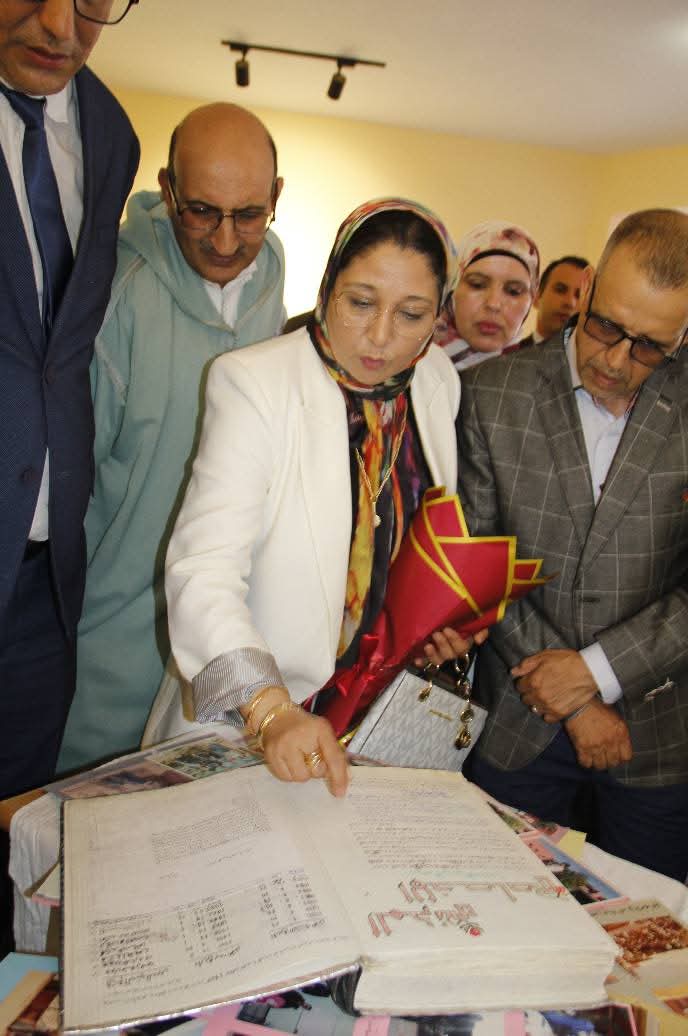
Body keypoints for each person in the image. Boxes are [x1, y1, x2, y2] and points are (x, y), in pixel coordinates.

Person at [154, 198, 481, 796]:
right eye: (360, 303)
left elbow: (410, 542)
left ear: (439, 315)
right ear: (327, 286)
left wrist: (435, 624)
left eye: (411, 314)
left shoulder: (437, 380)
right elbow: (203, 570)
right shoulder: (256, 382)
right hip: (259, 718)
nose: (381, 337)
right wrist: (270, 709)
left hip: (373, 716)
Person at [457, 209, 688, 881]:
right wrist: (578, 700)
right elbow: (480, 561)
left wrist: (599, 671)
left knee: (648, 927)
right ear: (584, 291)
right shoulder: (490, 395)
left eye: (649, 348)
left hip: (658, 731)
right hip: (517, 722)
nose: (616, 361)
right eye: (606, 326)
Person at [58, 103, 286, 772]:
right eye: (201, 212)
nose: (225, 241)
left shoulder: (272, 272)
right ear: (166, 189)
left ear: (276, 197)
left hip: (220, 622)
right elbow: (71, 487)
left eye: (249, 215)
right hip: (112, 626)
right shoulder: (114, 291)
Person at [0, 0, 139, 800]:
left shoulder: (110, 132)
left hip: (46, 583)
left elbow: (59, 352)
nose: (62, 26)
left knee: (20, 823)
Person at [435, 220, 539, 371]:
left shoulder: (536, 379)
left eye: (513, 291)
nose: (493, 304)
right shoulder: (409, 365)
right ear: (452, 288)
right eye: (477, 285)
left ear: (531, 299)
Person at [520, 255, 589, 347]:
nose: (570, 303)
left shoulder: (594, 356)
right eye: (560, 290)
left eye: (579, 295)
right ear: (537, 296)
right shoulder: (507, 354)